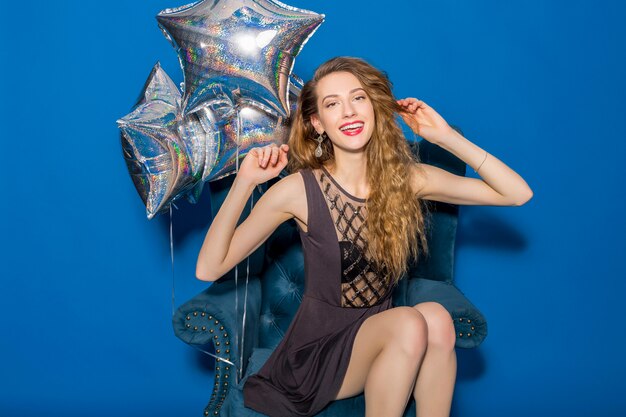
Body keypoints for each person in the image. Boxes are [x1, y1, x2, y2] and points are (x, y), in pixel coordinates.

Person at [195, 56, 533, 417]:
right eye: (332, 104)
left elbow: (516, 194)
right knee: (410, 322)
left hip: (380, 338)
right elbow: (209, 268)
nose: (349, 112)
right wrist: (244, 184)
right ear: (317, 124)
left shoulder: (407, 179)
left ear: (373, 107)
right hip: (315, 353)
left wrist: (444, 136)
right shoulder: (298, 190)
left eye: (358, 98)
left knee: (436, 317)